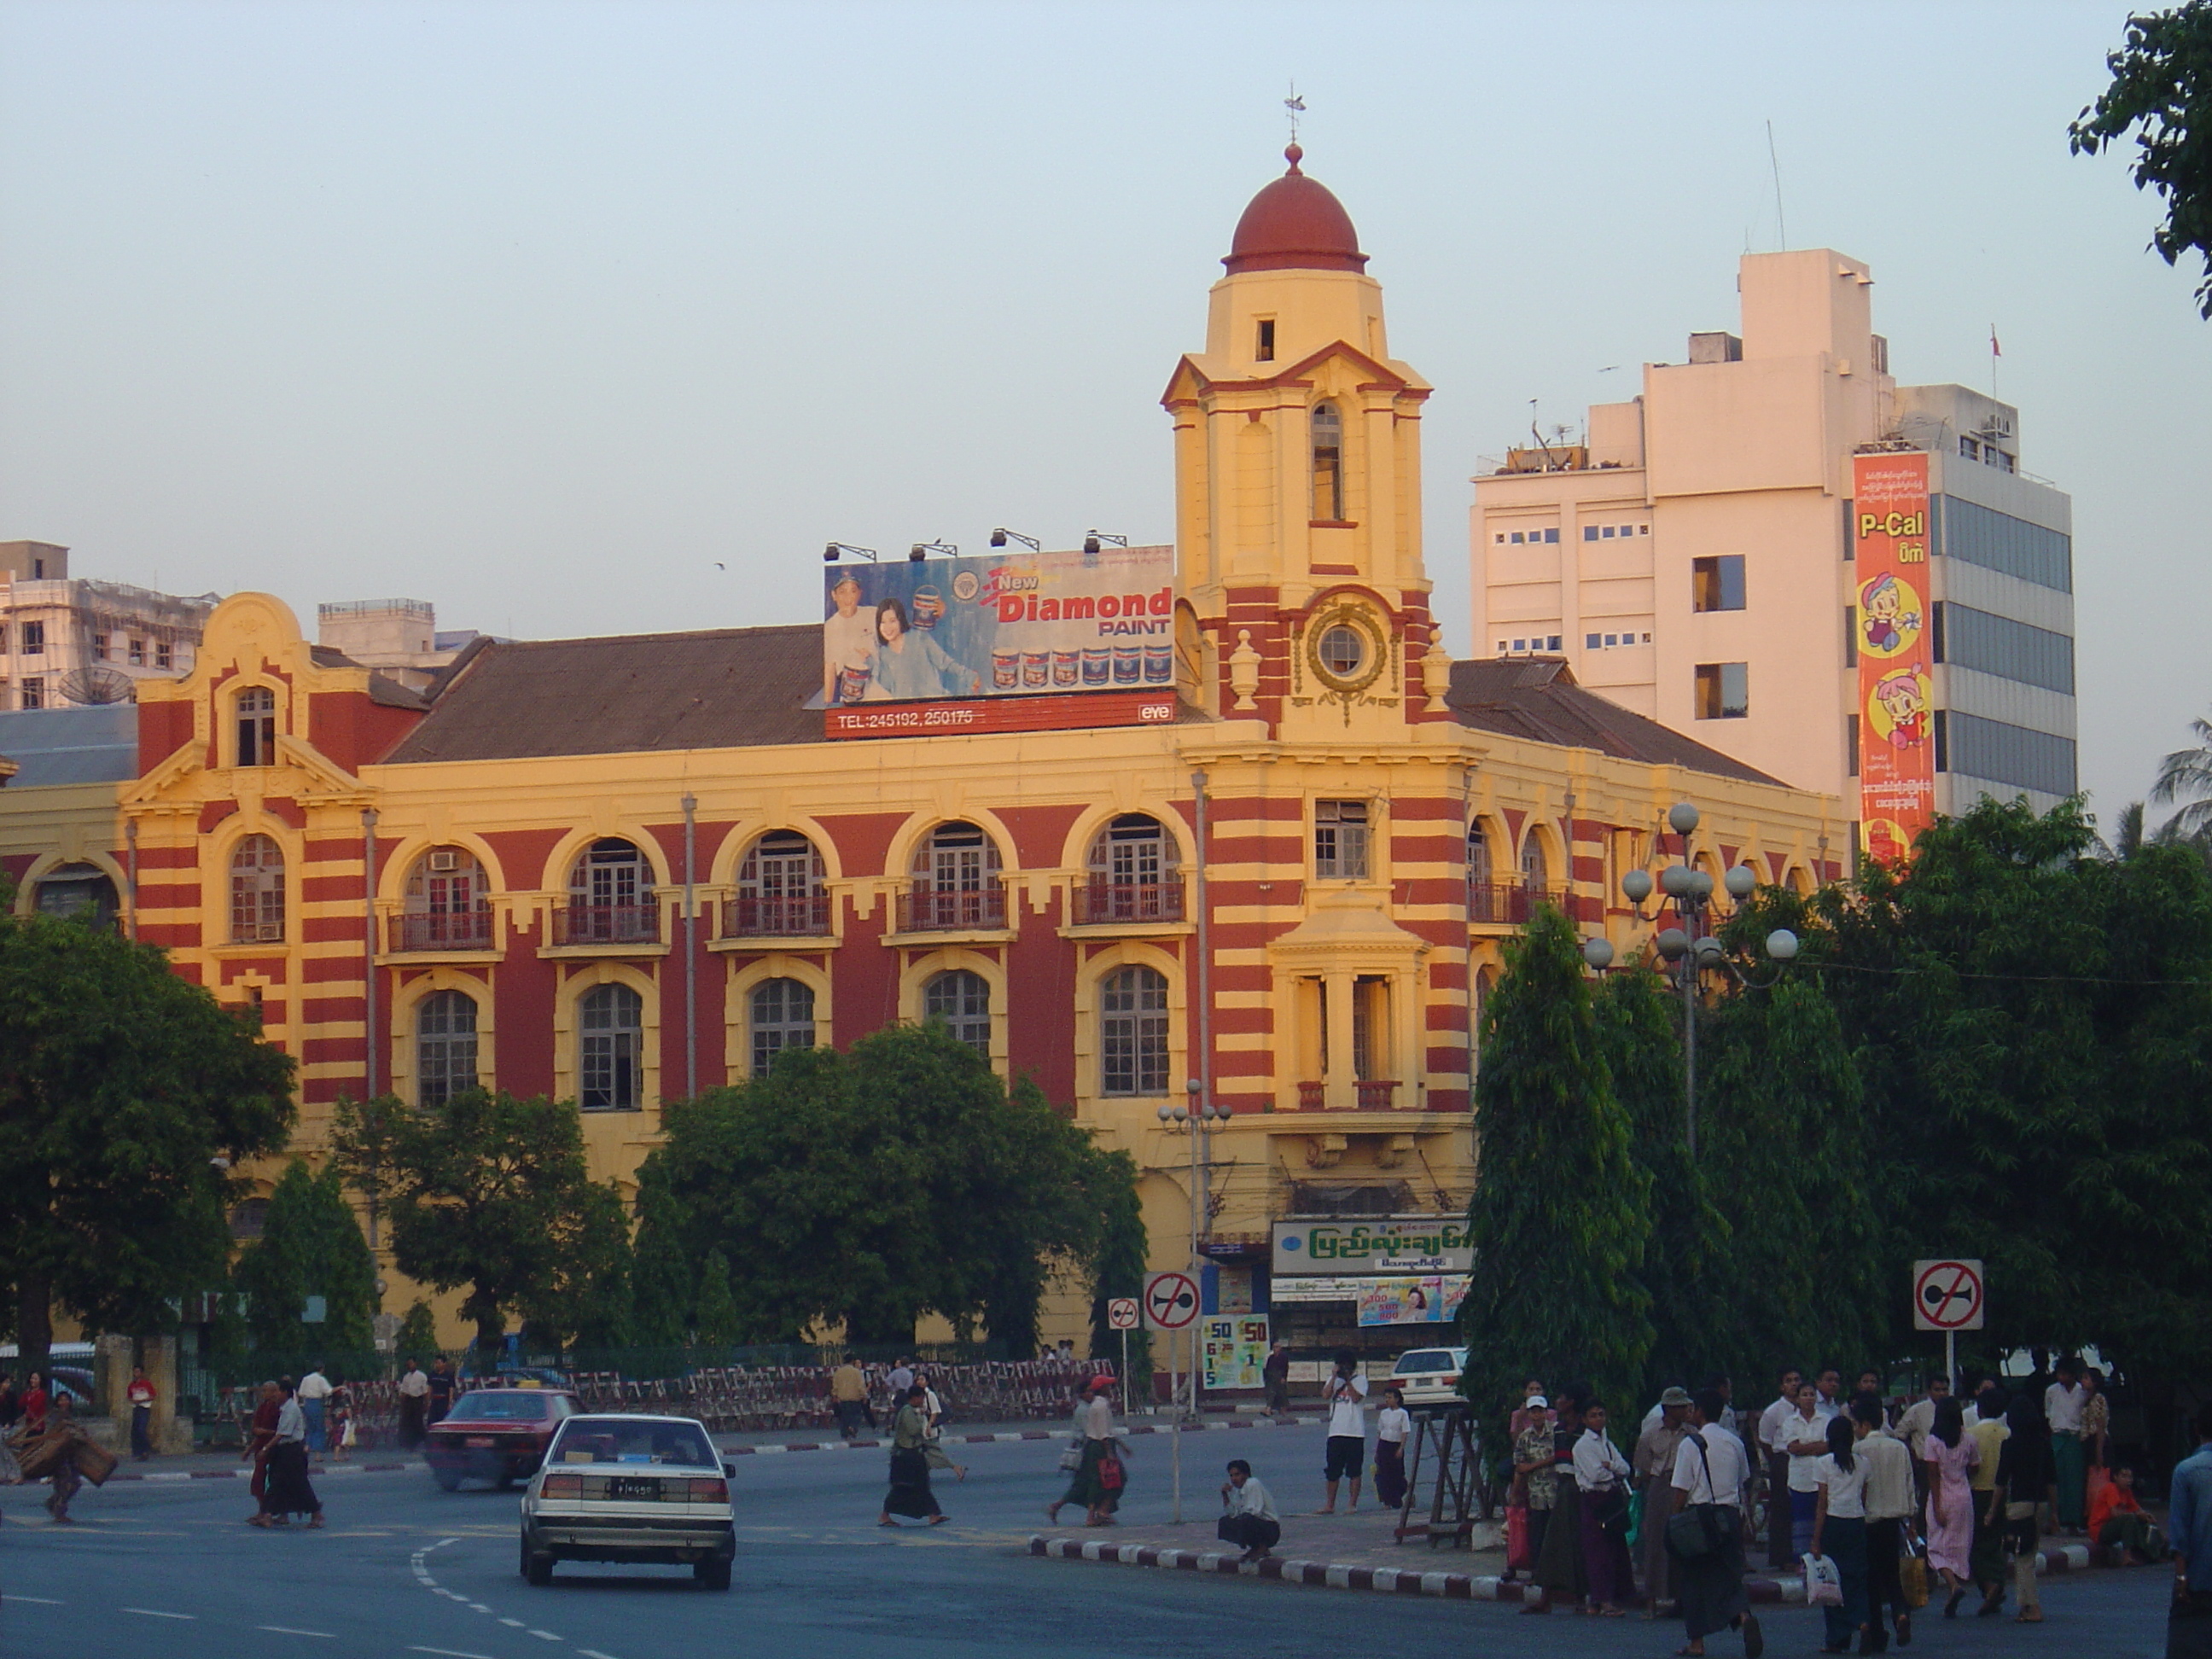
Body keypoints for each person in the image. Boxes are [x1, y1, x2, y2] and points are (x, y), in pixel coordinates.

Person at [1669, 1387, 1761, 1659]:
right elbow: (1743, 1478)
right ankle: (1744, 1616)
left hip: (1700, 1517)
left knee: (1694, 1580)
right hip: (1730, 1514)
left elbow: (1681, 1489)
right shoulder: (1734, 1441)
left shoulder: (1690, 1444)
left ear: (1698, 1412)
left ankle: (1697, 1643)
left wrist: (1673, 1520)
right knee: (1730, 1576)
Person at [1854, 1394, 1918, 1650]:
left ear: (1864, 1425)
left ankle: (1877, 1631)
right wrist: (1912, 1519)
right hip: (1894, 1519)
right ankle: (1901, 1613)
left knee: (1870, 1578)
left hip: (1868, 1520)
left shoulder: (1858, 1450)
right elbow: (1910, 1484)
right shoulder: (1898, 1448)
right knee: (1892, 1574)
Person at [1810, 1413, 1871, 1655]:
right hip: (1856, 1522)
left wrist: (1816, 1539)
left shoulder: (1823, 1464)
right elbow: (1864, 1497)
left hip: (1833, 1525)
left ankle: (1837, 1638)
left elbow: (1822, 1505)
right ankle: (1863, 1621)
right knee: (1856, 1579)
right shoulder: (1863, 1463)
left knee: (1832, 1582)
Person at [1528, 1381, 1590, 1615]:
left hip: (1582, 1488)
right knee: (1553, 1545)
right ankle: (1546, 1597)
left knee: (1579, 1544)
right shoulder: (1560, 1429)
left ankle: (1580, 1597)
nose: (1557, 1402)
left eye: (1562, 1397)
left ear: (1571, 1402)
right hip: (1562, 1488)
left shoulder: (1585, 1430)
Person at [1994, 1393, 2054, 1624]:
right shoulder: (2044, 1445)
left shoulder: (2010, 1445)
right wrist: (2055, 1513)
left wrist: (1991, 1510)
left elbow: (2001, 1482)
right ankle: (2027, 1604)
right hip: (2040, 1506)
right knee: (2029, 1553)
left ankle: (2031, 1606)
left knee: (2022, 1559)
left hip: (2018, 1505)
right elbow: (2052, 1482)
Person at [1635, 1386, 1694, 1618]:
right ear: (1668, 1408)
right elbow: (1644, 1468)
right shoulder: (1650, 1434)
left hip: (1684, 1486)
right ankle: (1651, 1601)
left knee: (1682, 1544)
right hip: (1659, 1487)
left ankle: (1680, 1599)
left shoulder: (1691, 1434)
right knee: (1656, 1545)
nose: (1685, 1410)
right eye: (1680, 1407)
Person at [1574, 1398, 1635, 1617]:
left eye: (1601, 1414)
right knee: (1598, 1553)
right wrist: (1612, 1469)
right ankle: (1602, 1600)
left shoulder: (1607, 1444)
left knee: (1615, 1550)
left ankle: (1607, 1599)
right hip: (1594, 1500)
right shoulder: (1582, 1446)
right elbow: (1595, 1474)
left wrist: (1612, 1467)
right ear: (1584, 1419)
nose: (1598, 1419)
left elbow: (1625, 1468)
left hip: (1611, 1500)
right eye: (1593, 1415)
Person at [1922, 1394, 1979, 1617]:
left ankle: (1952, 1585)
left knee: (1936, 1546)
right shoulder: (1969, 1439)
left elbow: (1933, 1476)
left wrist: (1936, 1506)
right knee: (1958, 1544)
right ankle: (1955, 1585)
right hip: (1963, 1497)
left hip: (1942, 1496)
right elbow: (1975, 1466)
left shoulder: (1933, 1441)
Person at [864, 598, 976, 701]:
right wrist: (870, 662)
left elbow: (944, 662)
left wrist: (970, 676)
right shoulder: (884, 653)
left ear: (901, 619)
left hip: (935, 705)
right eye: (882, 622)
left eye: (892, 621)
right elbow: (887, 684)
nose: (887, 627)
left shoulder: (919, 637)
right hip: (908, 713)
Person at [2168, 1401, 2212, 1658]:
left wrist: (2181, 1578)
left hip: (2199, 1580)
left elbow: (2179, 1534)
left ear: (2197, 1430)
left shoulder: (2186, 1471)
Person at [1966, 1381, 2011, 1612]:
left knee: (1975, 1544)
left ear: (1979, 1409)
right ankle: (1994, 1586)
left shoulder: (1971, 1434)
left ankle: (1990, 1584)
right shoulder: (2007, 1434)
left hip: (1978, 1492)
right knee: (1997, 1542)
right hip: (2004, 1493)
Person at [878, 1384, 947, 1527]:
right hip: (905, 1455)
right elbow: (913, 1430)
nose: (923, 1401)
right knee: (901, 1487)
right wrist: (922, 1420)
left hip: (913, 1454)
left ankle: (933, 1515)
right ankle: (885, 1515)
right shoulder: (908, 1412)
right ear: (915, 1398)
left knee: (922, 1485)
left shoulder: (910, 1411)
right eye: (921, 1398)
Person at [1758, 1366, 1805, 1569]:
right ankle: (1781, 1557)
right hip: (1782, 1459)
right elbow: (1765, 1441)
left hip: (1804, 1460)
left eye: (1796, 1380)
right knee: (1781, 1510)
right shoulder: (1774, 1411)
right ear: (1782, 1386)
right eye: (1789, 1380)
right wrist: (1778, 1461)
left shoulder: (1807, 1407)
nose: (1793, 1384)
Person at [1510, 1394, 1557, 1585]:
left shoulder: (1556, 1433)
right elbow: (1520, 1468)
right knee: (1536, 1535)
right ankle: (1537, 1572)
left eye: (1540, 1411)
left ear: (1546, 1413)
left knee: (1555, 1534)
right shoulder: (1525, 1438)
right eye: (1534, 1412)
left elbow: (1561, 1458)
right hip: (1536, 1493)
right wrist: (1515, 1493)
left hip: (1555, 1492)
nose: (1537, 1416)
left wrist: (1532, 1466)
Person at [1782, 1377, 1832, 1558]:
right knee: (1801, 1522)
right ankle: (1802, 1560)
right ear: (1797, 1399)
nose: (1808, 1398)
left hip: (1823, 1478)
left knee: (1822, 1519)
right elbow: (1793, 1448)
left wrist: (1806, 1447)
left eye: (1812, 1395)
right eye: (1804, 1395)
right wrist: (1816, 1446)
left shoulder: (1826, 1419)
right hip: (1800, 1480)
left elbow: (1829, 1446)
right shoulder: (1790, 1422)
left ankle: (1823, 1557)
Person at [263, 1382, 324, 1528]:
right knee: (279, 1482)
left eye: (277, 1391)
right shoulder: (283, 1408)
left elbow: (283, 1433)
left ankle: (315, 1513)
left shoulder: (290, 1409)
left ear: (285, 1393)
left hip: (292, 1451)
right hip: (285, 1450)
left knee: (297, 1483)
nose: (275, 1394)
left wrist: (265, 1448)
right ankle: (276, 1514)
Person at [1316, 1350, 1368, 1514]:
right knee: (1332, 1471)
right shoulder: (1334, 1381)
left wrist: (1347, 1380)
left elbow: (1356, 1398)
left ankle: (1352, 1504)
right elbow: (1325, 1395)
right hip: (1336, 1431)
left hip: (1355, 1432)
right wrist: (1333, 1377)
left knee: (1354, 1470)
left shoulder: (1361, 1380)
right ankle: (1329, 1505)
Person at [2088, 1464, 2168, 1563]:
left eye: (2130, 1477)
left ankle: (2154, 1553)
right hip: (2100, 1530)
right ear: (2115, 1477)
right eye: (2124, 1476)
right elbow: (2115, 1513)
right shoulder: (2111, 1489)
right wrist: (2136, 1515)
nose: (2128, 1480)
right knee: (2129, 1518)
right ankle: (2127, 1556)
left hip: (2113, 1526)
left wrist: (2146, 1516)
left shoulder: (2127, 1492)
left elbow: (2137, 1509)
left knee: (2142, 1521)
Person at [2046, 1355, 2087, 1535]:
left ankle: (2073, 1520)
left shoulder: (2082, 1391)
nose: (2061, 1378)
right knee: (2056, 1479)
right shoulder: (2052, 1391)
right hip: (2057, 1435)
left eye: (2065, 1375)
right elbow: (2048, 1411)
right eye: (2059, 1374)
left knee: (2074, 1480)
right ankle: (2055, 1519)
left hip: (2074, 1437)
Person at [821, 571, 876, 704]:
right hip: (851, 697)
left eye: (853, 591)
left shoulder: (873, 614)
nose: (848, 597)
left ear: (859, 594)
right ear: (834, 595)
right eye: (842, 592)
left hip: (878, 690)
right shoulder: (830, 627)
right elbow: (830, 668)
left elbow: (901, 629)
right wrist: (828, 704)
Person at [1217, 1458, 1281, 1562]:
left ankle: (1262, 1546)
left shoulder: (1252, 1484)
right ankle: (1257, 1547)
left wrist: (1239, 1521)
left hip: (1270, 1530)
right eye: (1231, 1475)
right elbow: (1232, 1513)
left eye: (1237, 1475)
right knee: (1225, 1522)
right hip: (1256, 1524)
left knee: (1245, 1519)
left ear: (1246, 1474)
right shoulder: (1238, 1491)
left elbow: (1254, 1512)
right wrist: (1225, 1495)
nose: (1233, 1479)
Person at [243, 1379, 283, 1522]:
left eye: (266, 1390)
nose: (263, 1393)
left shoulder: (279, 1409)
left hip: (273, 1448)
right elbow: (256, 1429)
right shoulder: (263, 1407)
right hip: (261, 1447)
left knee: (273, 1481)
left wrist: (265, 1432)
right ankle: (262, 1510)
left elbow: (280, 1432)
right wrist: (249, 1449)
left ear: (274, 1392)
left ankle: (275, 1513)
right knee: (258, 1481)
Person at [917, 1368, 967, 1481]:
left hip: (930, 1430)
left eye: (921, 1379)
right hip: (924, 1428)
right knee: (926, 1453)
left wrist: (929, 1426)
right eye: (918, 1379)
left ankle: (956, 1467)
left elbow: (935, 1412)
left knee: (933, 1452)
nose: (919, 1381)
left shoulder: (930, 1395)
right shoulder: (921, 1395)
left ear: (927, 1382)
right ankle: (924, 1475)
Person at [1373, 1386, 1411, 1511]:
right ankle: (1386, 1501)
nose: (1387, 1400)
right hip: (1384, 1444)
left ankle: (1398, 1498)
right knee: (1383, 1474)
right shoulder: (1384, 1413)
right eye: (1386, 1398)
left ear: (1397, 1399)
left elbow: (1405, 1432)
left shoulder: (1403, 1414)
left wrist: (1401, 1448)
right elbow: (1380, 1431)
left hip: (1395, 1445)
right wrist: (1377, 1449)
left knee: (1396, 1473)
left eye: (1390, 1398)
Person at [831, 1354, 870, 1441]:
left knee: (844, 1417)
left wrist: (835, 1396)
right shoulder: (857, 1372)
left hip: (842, 1398)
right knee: (857, 1415)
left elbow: (835, 1386)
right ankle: (852, 1427)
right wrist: (864, 1396)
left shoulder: (838, 1372)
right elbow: (861, 1386)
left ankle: (844, 1435)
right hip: (855, 1398)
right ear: (852, 1361)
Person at [297, 1360, 332, 1455]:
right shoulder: (321, 1379)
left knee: (309, 1427)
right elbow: (328, 1391)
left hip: (307, 1403)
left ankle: (307, 1446)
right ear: (322, 1369)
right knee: (319, 1428)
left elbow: (300, 1393)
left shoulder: (306, 1379)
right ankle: (318, 1453)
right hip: (317, 1402)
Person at [2081, 1366, 2111, 1474]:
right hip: (2089, 1440)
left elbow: (2100, 1425)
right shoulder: (2087, 1399)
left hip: (2097, 1439)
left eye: (2086, 1378)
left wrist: (2099, 1451)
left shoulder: (2098, 1399)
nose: (2082, 1381)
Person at [127, 1363, 157, 1461]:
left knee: (141, 1429)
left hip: (144, 1408)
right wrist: (133, 1401)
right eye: (134, 1372)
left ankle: (146, 1448)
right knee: (135, 1430)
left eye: (138, 1372)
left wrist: (142, 1401)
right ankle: (138, 1452)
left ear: (141, 1373)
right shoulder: (132, 1385)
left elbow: (152, 1396)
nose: (136, 1374)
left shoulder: (146, 1384)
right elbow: (129, 1396)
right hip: (136, 1408)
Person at [397, 1358, 429, 1448]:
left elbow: (425, 1391)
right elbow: (404, 1391)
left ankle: (424, 1441)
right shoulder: (406, 1377)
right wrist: (402, 1404)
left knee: (418, 1422)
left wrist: (426, 1404)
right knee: (407, 1422)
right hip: (408, 1401)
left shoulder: (421, 1376)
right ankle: (409, 1444)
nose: (410, 1366)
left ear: (415, 1364)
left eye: (411, 1363)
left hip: (418, 1400)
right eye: (408, 1364)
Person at [1510, 1376, 1550, 1441]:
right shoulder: (1517, 1414)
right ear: (1525, 1393)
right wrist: (1520, 1417)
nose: (1534, 1393)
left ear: (1543, 1392)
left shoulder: (1551, 1413)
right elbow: (1515, 1441)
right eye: (1531, 1389)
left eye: (1538, 1389)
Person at [1263, 1340, 1291, 1417]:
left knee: (1282, 1394)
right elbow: (1267, 1368)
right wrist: (1266, 1377)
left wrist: (1283, 1377)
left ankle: (1282, 1410)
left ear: (1280, 1348)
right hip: (1271, 1377)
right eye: (1274, 1347)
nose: (1276, 1349)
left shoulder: (1283, 1357)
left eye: (1277, 1347)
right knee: (1271, 1393)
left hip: (1280, 1376)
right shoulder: (1271, 1357)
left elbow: (1285, 1368)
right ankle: (1268, 1410)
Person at [426, 1356, 456, 1428]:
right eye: (436, 1363)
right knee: (432, 1421)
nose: (437, 1365)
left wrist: (450, 1403)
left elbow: (451, 1389)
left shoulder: (449, 1375)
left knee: (443, 1420)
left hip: (444, 1401)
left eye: (439, 1363)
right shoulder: (432, 1375)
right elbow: (430, 1388)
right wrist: (428, 1401)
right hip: (435, 1401)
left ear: (444, 1364)